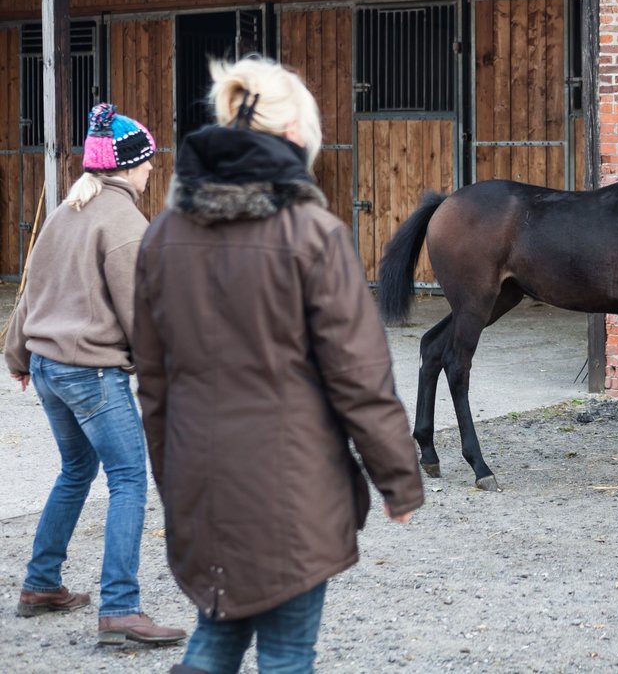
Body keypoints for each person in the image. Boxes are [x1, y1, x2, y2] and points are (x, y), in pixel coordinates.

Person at [133, 55, 424, 674]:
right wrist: (398, 478)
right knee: (288, 654)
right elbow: (359, 376)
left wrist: (173, 475)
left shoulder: (160, 236)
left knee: (216, 637)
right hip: (290, 489)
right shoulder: (313, 234)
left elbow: (153, 385)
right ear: (294, 136)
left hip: (201, 484)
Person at [5, 104, 187, 647]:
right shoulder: (126, 223)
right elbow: (143, 315)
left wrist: (17, 355)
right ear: (128, 166)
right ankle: (121, 610)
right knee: (130, 477)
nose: (153, 169)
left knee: (76, 469)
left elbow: (31, 289)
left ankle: (40, 583)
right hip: (91, 373)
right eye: (148, 161)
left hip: (47, 368)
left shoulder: (65, 211)